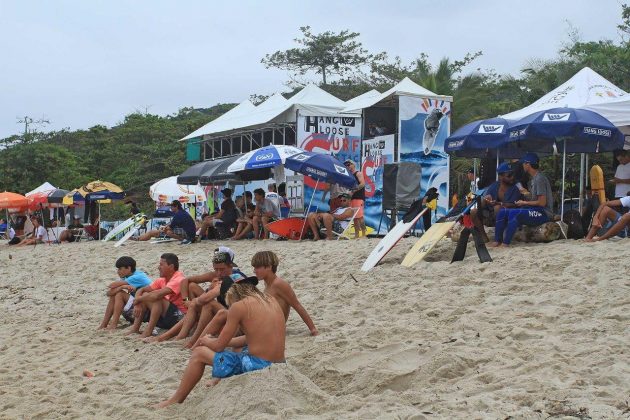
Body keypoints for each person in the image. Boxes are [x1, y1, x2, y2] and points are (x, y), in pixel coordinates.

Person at [156, 281, 286, 408]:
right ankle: (218, 379)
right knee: (237, 348)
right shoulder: (270, 300)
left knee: (199, 353)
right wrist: (224, 341)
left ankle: (175, 399)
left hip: (259, 364)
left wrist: (206, 340)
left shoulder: (239, 306)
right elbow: (252, 338)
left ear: (234, 298)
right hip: (279, 364)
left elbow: (218, 346)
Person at [145, 247, 247, 346]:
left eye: (222, 269)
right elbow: (186, 281)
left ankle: (191, 341)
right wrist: (186, 300)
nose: (219, 273)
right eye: (216, 270)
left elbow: (206, 298)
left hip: (239, 322)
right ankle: (176, 337)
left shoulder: (235, 277)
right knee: (193, 291)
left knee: (207, 304)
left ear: (230, 266)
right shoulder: (217, 275)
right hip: (227, 313)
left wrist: (195, 300)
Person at [491, 153, 554, 247]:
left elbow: (542, 203)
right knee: (502, 212)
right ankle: (496, 242)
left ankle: (505, 244)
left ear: (528, 164)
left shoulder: (540, 179)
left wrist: (524, 202)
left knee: (514, 213)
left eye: (523, 163)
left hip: (544, 213)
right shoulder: (533, 179)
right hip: (535, 210)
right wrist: (526, 194)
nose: (522, 166)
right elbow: (535, 199)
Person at [126, 253, 188, 338]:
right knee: (145, 294)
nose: (158, 267)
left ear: (171, 266)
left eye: (161, 265)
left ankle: (148, 331)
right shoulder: (162, 280)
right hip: (166, 316)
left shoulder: (178, 279)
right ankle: (135, 329)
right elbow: (141, 289)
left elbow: (157, 296)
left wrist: (139, 299)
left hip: (179, 317)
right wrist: (137, 302)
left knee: (156, 298)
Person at [470, 162, 522, 242]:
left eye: (513, 175)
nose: (512, 178)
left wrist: (499, 203)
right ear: (500, 177)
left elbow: (514, 205)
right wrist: (485, 200)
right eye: (509, 175)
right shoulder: (493, 186)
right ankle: (484, 237)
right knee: (473, 212)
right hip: (491, 214)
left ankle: (499, 237)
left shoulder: (515, 189)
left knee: (498, 208)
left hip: (508, 216)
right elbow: (483, 205)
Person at [98, 256, 152, 330]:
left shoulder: (137, 276)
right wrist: (121, 287)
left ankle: (113, 325)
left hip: (145, 310)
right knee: (115, 294)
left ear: (129, 268)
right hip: (137, 308)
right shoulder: (126, 276)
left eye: (120, 269)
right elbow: (109, 293)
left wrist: (121, 287)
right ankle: (104, 324)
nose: (118, 271)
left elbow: (111, 285)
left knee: (119, 294)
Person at [343, 159, 367, 238]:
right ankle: (357, 234)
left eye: (349, 164)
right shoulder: (349, 176)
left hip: (358, 197)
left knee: (359, 216)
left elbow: (362, 184)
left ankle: (364, 233)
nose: (348, 166)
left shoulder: (358, 173)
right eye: (346, 165)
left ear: (353, 164)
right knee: (354, 217)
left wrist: (353, 191)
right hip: (352, 198)